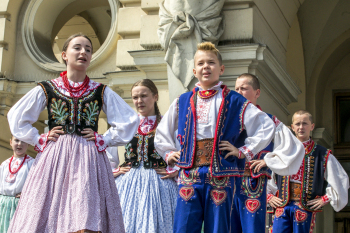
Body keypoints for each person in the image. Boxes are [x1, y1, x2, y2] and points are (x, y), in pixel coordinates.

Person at [7, 33, 139, 233]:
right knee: (46, 211)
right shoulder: (48, 88)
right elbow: (17, 116)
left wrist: (105, 138)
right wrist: (37, 138)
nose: (83, 52)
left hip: (89, 158)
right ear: (64, 55)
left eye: (88, 49)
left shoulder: (100, 91)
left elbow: (129, 120)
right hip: (55, 157)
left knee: (84, 213)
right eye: (77, 47)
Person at [154, 42, 276, 233]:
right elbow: (162, 131)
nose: (206, 67)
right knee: (183, 226)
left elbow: (266, 125)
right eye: (201, 63)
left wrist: (243, 151)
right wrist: (169, 153)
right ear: (194, 70)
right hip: (189, 173)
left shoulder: (235, 100)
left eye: (211, 62)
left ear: (221, 68)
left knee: (218, 228)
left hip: (221, 174)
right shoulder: (182, 100)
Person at [231, 73, 305, 232]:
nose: (238, 92)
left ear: (257, 93)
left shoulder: (270, 121)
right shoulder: (227, 121)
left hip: (254, 184)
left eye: (244, 88)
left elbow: (294, 147)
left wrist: (268, 161)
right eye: (236, 88)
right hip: (229, 183)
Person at [110, 79, 178, 233]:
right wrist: (114, 170)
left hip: (160, 185)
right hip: (129, 184)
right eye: (135, 97)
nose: (139, 101)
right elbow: (108, 146)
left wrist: (176, 169)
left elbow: (182, 150)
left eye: (144, 96)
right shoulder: (126, 125)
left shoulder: (167, 124)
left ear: (155, 96)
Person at [267, 110, 349, 233]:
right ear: (292, 127)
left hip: (304, 206)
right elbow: (269, 175)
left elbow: (341, 179)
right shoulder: (281, 151)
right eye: (298, 124)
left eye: (305, 123)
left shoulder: (321, 154)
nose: (301, 127)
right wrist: (269, 196)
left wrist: (325, 198)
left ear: (312, 126)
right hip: (282, 205)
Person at [0, 136, 34, 232]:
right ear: (10, 142)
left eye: (23, 141)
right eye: (16, 140)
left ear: (27, 144)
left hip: (20, 206)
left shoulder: (32, 164)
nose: (19, 144)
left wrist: (27, 194)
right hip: (3, 206)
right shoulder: (4, 164)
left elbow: (37, 186)